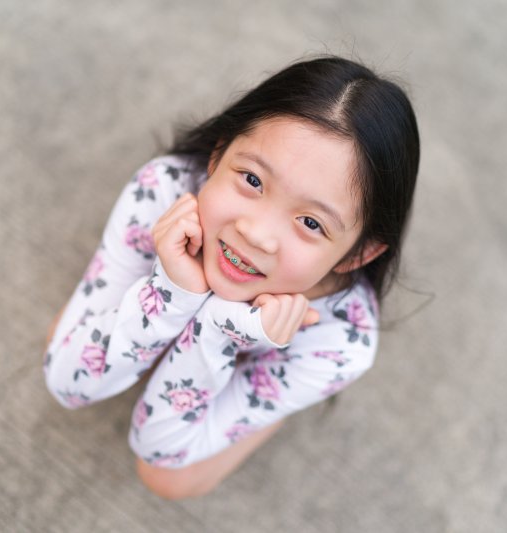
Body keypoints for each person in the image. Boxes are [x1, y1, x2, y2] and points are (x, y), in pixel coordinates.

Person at [43, 55, 420, 499]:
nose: (256, 234)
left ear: (358, 254)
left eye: (312, 223)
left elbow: (158, 447)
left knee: (167, 478)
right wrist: (171, 292)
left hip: (257, 353)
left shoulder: (340, 343)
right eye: (253, 180)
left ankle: (266, 403)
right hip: (162, 300)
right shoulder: (164, 190)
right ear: (219, 154)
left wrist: (219, 328)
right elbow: (66, 383)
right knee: (69, 349)